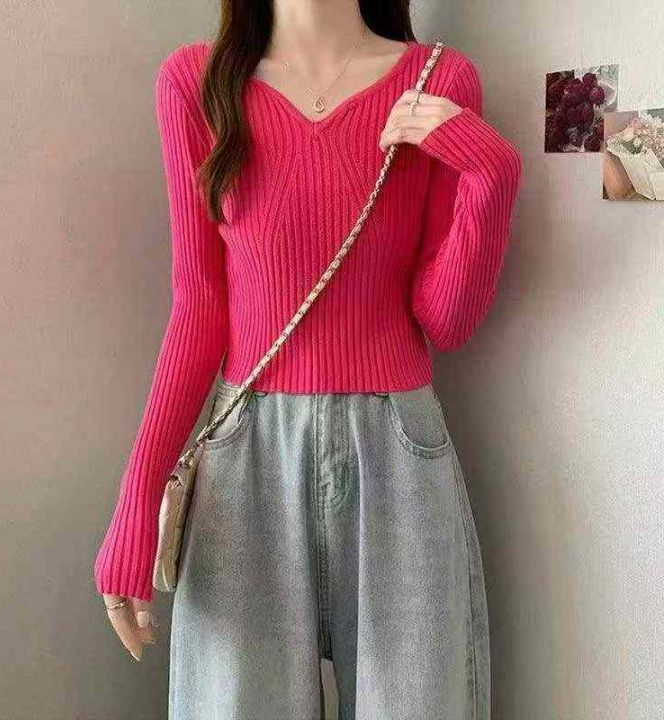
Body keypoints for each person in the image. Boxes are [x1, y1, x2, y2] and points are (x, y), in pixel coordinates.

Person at [94, 1, 522, 717]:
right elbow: (199, 308)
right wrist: (135, 504)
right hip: (247, 458)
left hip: (397, 453)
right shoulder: (196, 83)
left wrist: (493, 174)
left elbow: (446, 322)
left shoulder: (438, 80)